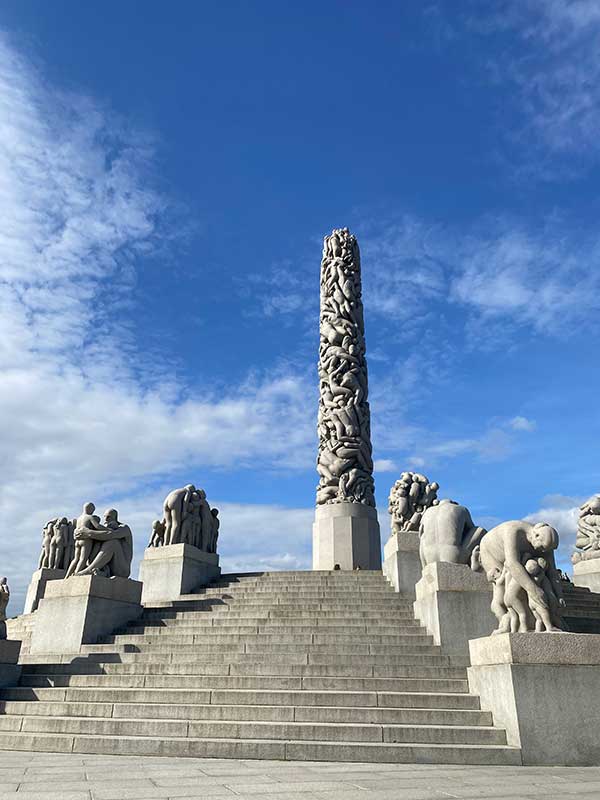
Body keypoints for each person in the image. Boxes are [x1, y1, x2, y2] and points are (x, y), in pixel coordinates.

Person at [479, 520, 563, 633]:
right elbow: (512, 564)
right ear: (536, 535)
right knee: (505, 592)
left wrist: (560, 595)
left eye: (546, 549)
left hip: (517, 565)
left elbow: (552, 572)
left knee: (533, 590)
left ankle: (540, 624)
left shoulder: (546, 542)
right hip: (491, 551)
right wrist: (533, 589)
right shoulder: (513, 531)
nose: (543, 552)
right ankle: (508, 625)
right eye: (542, 548)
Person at [73, 509, 133, 578]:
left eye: (109, 517)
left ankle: (89, 570)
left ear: (115, 517)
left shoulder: (124, 528)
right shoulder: (105, 527)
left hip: (122, 570)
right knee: (97, 540)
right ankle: (101, 571)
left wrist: (88, 532)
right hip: (108, 568)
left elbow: (111, 534)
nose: (106, 519)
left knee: (113, 543)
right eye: (105, 517)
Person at [66, 503, 110, 578]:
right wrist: (109, 530)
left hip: (77, 541)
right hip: (85, 541)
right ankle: (76, 574)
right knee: (83, 559)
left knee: (75, 559)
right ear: (91, 509)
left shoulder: (79, 519)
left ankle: (67, 576)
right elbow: (98, 526)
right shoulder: (89, 517)